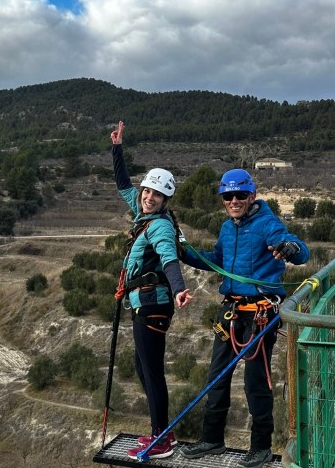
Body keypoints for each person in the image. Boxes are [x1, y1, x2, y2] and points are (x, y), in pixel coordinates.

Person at [179, 168, 310, 468]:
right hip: (232, 311)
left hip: (260, 313)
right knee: (217, 377)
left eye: (240, 195)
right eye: (228, 196)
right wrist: (183, 252)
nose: (234, 200)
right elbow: (217, 261)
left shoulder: (267, 223)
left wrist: (291, 248)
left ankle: (261, 447)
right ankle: (212, 439)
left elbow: (300, 251)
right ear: (223, 199)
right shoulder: (228, 228)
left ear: (252, 195)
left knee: (255, 383)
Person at [109, 121, 193, 460]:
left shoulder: (158, 225)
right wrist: (117, 148)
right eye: (147, 191)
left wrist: (179, 289)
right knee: (143, 368)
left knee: (152, 370)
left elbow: (170, 258)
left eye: (155, 194)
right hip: (142, 304)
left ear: (164, 200)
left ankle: (161, 438)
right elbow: (122, 185)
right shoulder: (142, 212)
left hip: (153, 304)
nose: (147, 196)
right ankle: (162, 431)